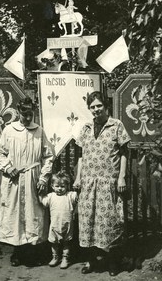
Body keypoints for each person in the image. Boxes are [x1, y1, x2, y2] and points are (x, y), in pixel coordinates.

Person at [73, 91, 131, 276]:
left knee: (110, 223)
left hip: (109, 183)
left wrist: (121, 176)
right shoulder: (86, 128)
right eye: (92, 107)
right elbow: (82, 156)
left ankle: (113, 262)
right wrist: (77, 177)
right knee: (88, 222)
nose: (96, 109)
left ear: (105, 106)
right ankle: (92, 262)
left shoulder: (116, 126)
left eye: (99, 106)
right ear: (89, 109)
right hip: (89, 183)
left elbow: (124, 153)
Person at [0, 97, 54, 266]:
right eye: (24, 114)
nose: (28, 118)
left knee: (32, 214)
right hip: (14, 178)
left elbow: (48, 156)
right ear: (18, 112)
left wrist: (43, 177)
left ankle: (33, 252)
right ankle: (17, 253)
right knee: (15, 215)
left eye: (30, 114)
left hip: (33, 179)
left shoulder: (39, 131)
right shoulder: (9, 130)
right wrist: (8, 167)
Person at [39, 171, 78, 269]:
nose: (60, 189)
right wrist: (40, 193)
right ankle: (55, 257)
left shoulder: (70, 195)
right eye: (57, 186)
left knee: (66, 243)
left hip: (67, 224)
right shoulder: (50, 196)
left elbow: (78, 196)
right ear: (52, 186)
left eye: (63, 186)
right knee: (54, 243)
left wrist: (77, 187)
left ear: (67, 186)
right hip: (54, 225)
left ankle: (65, 258)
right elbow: (43, 202)